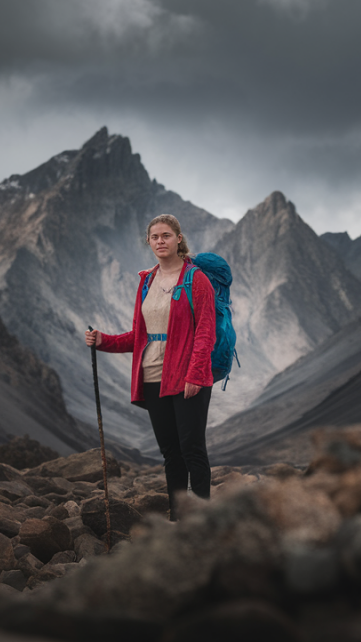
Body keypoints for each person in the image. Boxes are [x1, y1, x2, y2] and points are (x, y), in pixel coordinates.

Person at [85, 214, 216, 520]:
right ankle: (178, 517)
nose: (160, 241)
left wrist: (196, 374)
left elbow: (205, 332)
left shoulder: (196, 279)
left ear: (178, 239)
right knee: (171, 452)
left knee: (192, 449)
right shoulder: (146, 280)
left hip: (187, 375)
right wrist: (104, 340)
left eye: (166, 235)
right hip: (153, 374)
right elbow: (140, 335)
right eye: (155, 237)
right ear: (148, 241)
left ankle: (204, 522)